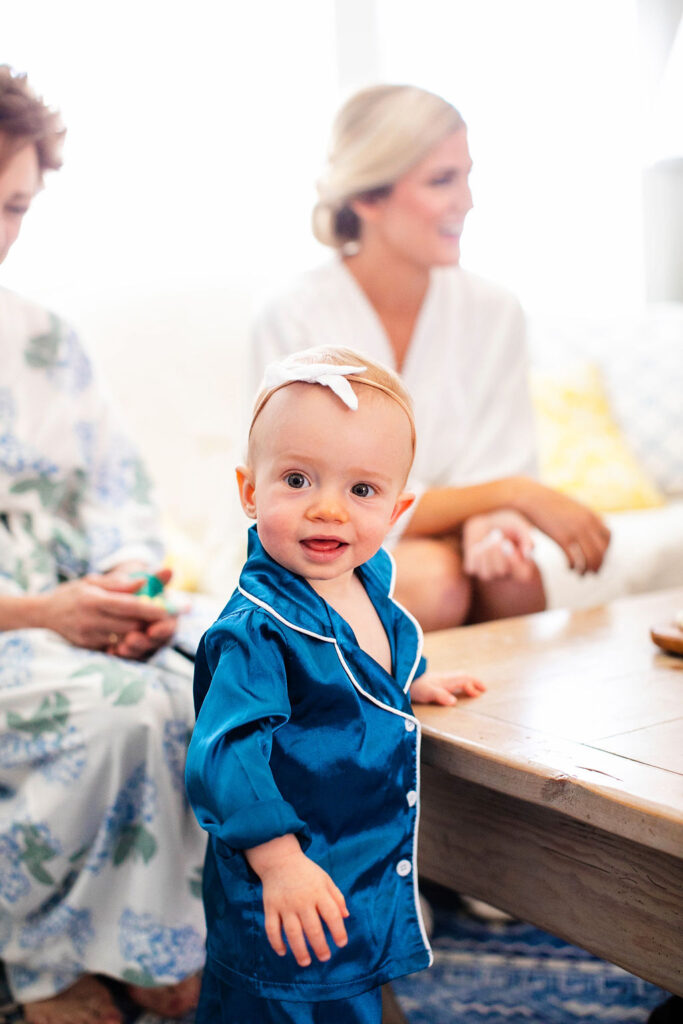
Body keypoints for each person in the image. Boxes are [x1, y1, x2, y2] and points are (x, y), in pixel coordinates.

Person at [185, 346, 486, 1023]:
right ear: (248, 490)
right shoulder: (254, 631)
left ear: (396, 508)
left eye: (361, 490)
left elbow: (364, 658)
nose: (328, 510)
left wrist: (410, 680)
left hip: (354, 854)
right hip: (290, 866)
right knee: (279, 996)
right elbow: (226, 753)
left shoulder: (364, 581)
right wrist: (277, 860)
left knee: (344, 972)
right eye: (296, 480)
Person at [250, 83, 611, 632]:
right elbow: (317, 499)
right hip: (322, 542)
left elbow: (497, 460)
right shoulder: (294, 315)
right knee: (432, 582)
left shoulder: (493, 309)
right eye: (443, 180)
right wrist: (515, 495)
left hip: (438, 533)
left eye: (467, 176)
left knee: (511, 576)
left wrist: (490, 520)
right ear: (369, 197)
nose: (467, 201)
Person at [0, 66, 206, 1023]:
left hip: (74, 614)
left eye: (13, 207)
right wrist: (45, 612)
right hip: (19, 624)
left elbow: (122, 494)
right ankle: (46, 958)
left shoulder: (46, 339)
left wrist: (129, 585)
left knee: (219, 676)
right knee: (122, 712)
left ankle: (157, 937)